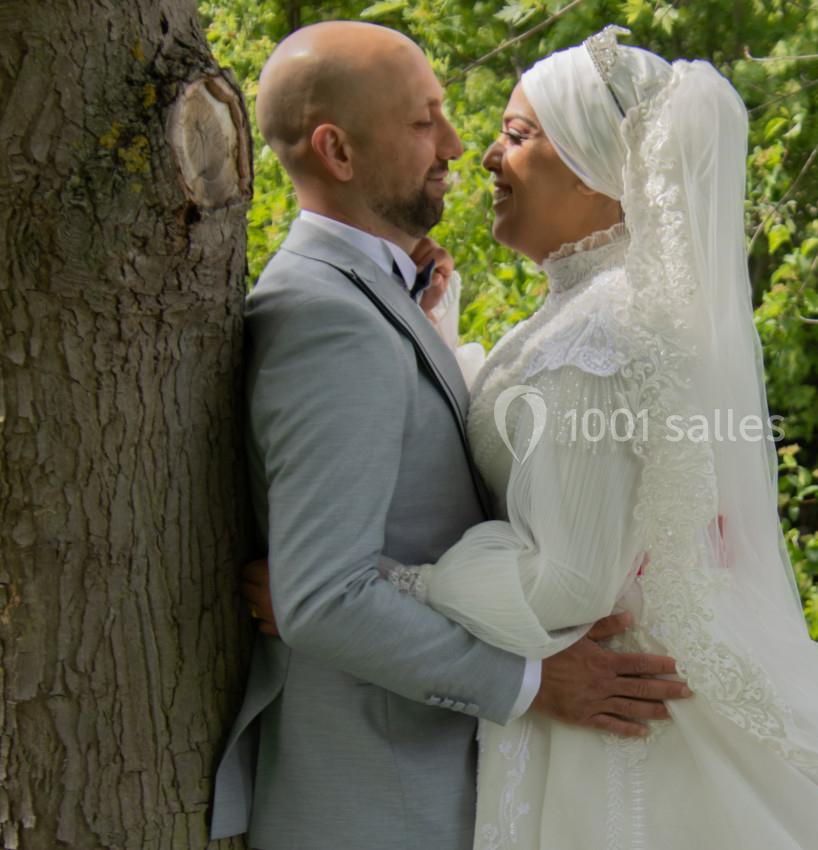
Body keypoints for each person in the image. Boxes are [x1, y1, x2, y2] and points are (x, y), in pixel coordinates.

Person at [250, 24, 818, 849]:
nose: (474, 150)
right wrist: (436, 339)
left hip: (610, 715)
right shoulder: (585, 313)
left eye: (517, 135)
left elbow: (571, 586)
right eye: (430, 122)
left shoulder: (603, 330)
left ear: (598, 168)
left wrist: (398, 584)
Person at [207, 21, 691, 850]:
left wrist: (427, 323)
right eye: (425, 120)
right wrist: (533, 682)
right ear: (339, 151)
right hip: (378, 797)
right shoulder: (331, 321)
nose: (459, 146)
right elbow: (322, 598)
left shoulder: (374, 299)